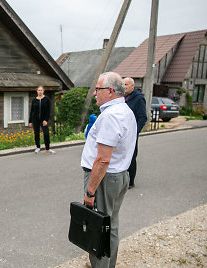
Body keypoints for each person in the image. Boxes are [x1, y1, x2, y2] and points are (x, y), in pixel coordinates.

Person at [81, 72, 137, 268]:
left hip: (105, 178)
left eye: (98, 89)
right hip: (119, 175)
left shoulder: (112, 116)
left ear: (110, 91)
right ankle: (107, 264)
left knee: (99, 227)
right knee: (110, 224)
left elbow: (103, 160)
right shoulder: (125, 110)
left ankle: (100, 265)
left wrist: (90, 190)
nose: (95, 93)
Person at [123, 77, 147, 189]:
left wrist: (135, 131)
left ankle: (131, 181)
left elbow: (143, 117)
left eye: (126, 84)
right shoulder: (123, 98)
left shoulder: (138, 99)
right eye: (123, 84)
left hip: (132, 134)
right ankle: (122, 179)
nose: (124, 86)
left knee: (131, 156)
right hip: (123, 132)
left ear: (132, 86)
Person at [29, 86, 56, 154]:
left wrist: (46, 120)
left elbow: (48, 111)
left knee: (46, 133)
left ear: (43, 91)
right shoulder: (34, 100)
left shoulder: (46, 99)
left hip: (43, 120)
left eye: (41, 90)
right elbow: (32, 111)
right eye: (39, 90)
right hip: (35, 120)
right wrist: (30, 121)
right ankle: (38, 147)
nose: (40, 91)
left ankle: (48, 148)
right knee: (36, 134)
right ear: (37, 91)